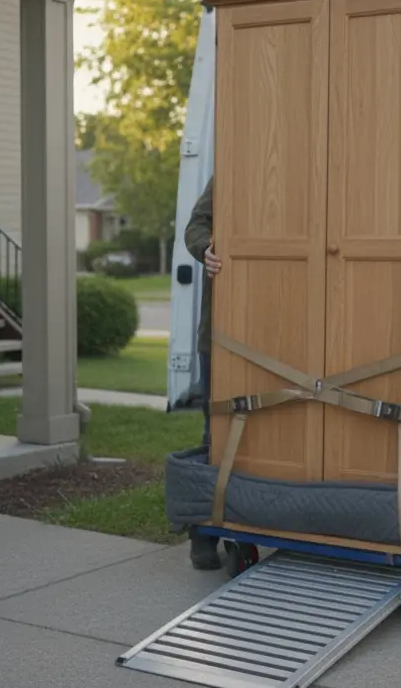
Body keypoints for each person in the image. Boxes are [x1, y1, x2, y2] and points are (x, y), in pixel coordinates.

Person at [183, 176, 222, 570]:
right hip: (221, 335)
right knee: (217, 433)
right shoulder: (231, 169)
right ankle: (204, 534)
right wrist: (206, 248)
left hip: (280, 336)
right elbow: (195, 226)